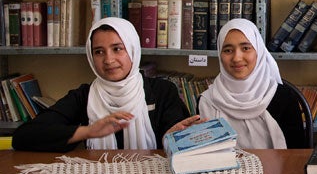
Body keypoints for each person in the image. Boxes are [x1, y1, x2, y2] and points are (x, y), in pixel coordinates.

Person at [12, 17, 198, 152]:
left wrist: (172, 138)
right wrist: (87, 131)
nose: (108, 60)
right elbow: (23, 137)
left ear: (133, 50)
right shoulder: (83, 96)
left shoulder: (162, 91)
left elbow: (181, 144)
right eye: (99, 52)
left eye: (117, 49)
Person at [198, 18, 305, 149]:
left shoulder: (284, 98)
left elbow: (296, 155)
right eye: (228, 50)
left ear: (258, 51)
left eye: (246, 48)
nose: (237, 58)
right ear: (220, 55)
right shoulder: (207, 101)